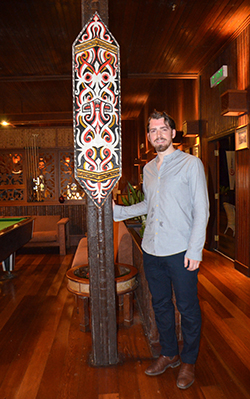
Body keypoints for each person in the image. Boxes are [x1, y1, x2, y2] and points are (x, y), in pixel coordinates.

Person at [113, 110, 209, 390]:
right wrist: (118, 211)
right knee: (161, 305)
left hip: (181, 251)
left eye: (163, 129)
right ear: (148, 137)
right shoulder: (148, 169)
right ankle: (169, 353)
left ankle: (188, 360)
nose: (158, 134)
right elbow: (149, 205)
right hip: (152, 250)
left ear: (173, 133)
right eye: (153, 131)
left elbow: (202, 209)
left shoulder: (191, 164)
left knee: (188, 307)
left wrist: (195, 250)